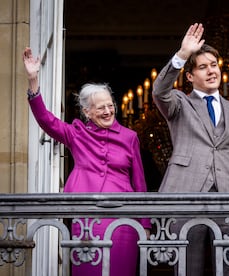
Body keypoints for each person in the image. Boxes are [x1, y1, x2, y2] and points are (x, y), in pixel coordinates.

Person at [22, 47, 151, 276]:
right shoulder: (76, 134)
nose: (108, 111)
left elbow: (139, 184)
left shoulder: (130, 137)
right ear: (87, 111)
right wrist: (33, 81)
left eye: (110, 105)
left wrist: (145, 224)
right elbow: (46, 121)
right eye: (101, 107)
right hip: (88, 217)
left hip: (124, 219)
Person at [152, 23, 229, 275]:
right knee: (189, 268)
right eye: (203, 67)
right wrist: (182, 55)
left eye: (214, 65)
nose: (211, 71)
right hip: (186, 197)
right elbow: (159, 90)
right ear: (189, 77)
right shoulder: (179, 103)